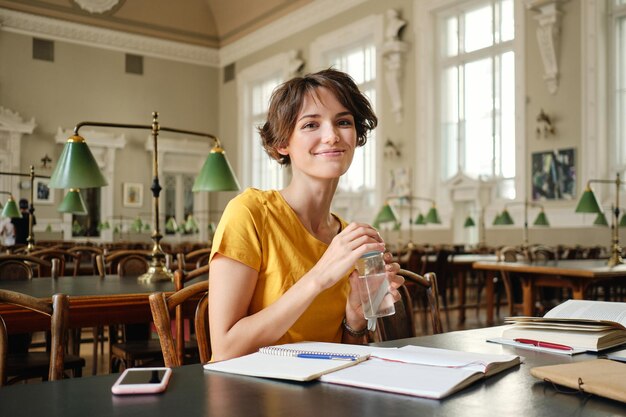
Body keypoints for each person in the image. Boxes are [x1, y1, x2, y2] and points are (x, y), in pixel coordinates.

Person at [208, 68, 404, 361]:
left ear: (356, 137)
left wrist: (355, 318)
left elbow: (342, 359)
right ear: (282, 144)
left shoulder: (348, 239)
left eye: (343, 122)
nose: (332, 136)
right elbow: (225, 350)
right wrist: (319, 277)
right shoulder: (249, 213)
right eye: (311, 125)